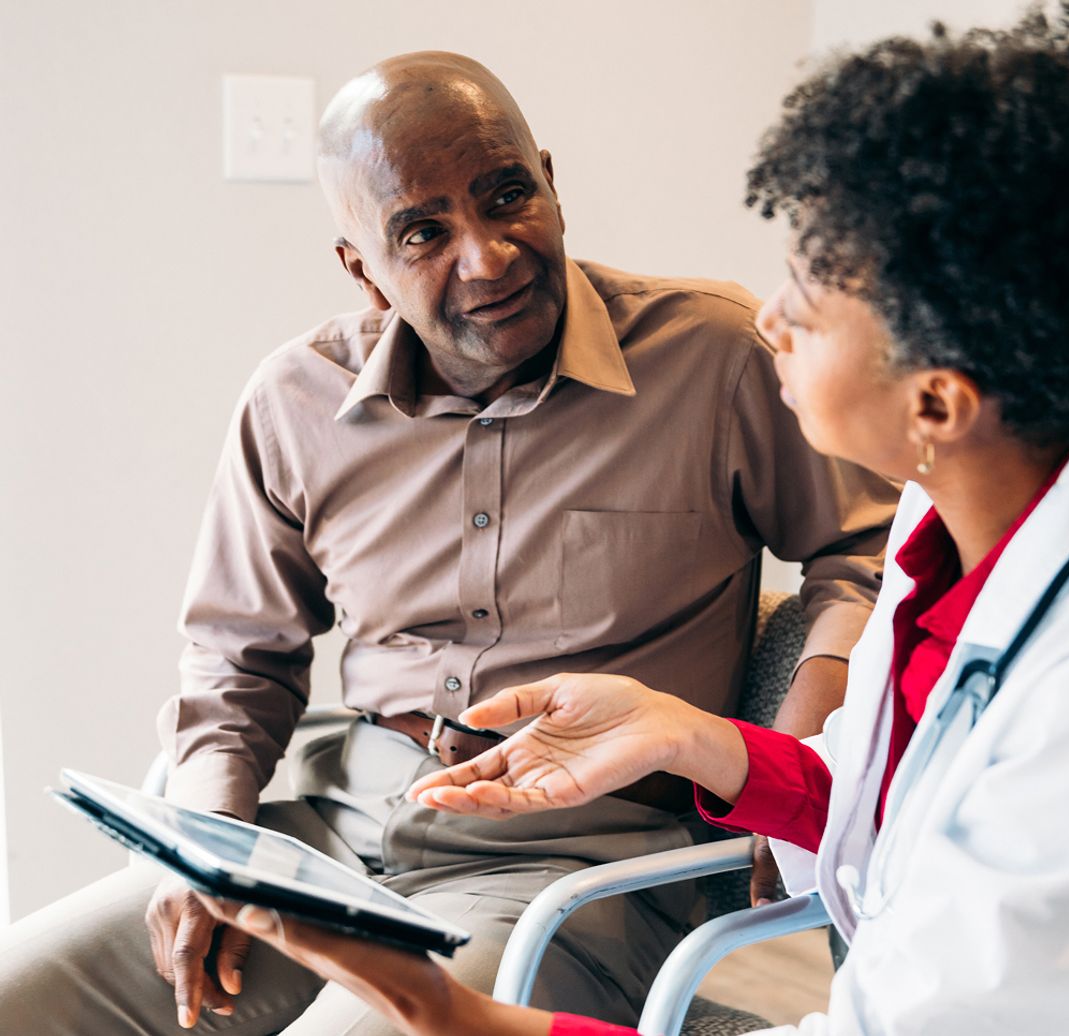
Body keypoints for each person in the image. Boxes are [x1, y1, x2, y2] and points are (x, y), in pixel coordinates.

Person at [187, 6, 1069, 1034]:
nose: (769, 318)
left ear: (938, 396)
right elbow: (881, 817)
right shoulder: (963, 524)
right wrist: (683, 734)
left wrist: (465, 1017)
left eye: (814, 289)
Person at [0, 52, 897, 1036]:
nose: (490, 255)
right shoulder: (296, 400)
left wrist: (798, 733)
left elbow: (865, 548)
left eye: (508, 195)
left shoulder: (713, 356)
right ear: (363, 269)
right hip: (331, 839)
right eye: (424, 232)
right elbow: (235, 659)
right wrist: (203, 846)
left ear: (550, 182)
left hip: (574, 872)